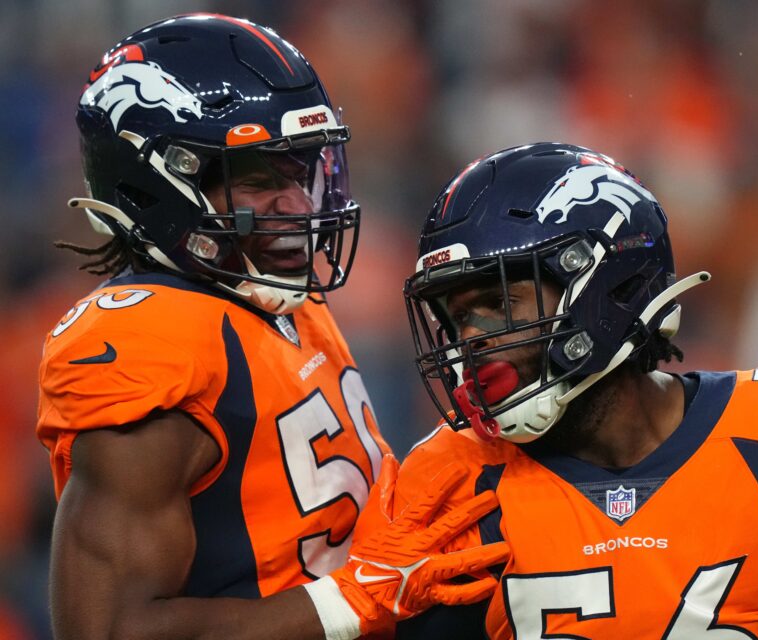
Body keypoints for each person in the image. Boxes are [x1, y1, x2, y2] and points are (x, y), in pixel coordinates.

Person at [37, 14, 507, 640]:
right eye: (256, 179)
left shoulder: (272, 290)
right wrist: (350, 601)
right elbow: (108, 631)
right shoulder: (148, 344)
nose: (299, 206)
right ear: (158, 182)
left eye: (301, 172)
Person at [394, 142, 758, 638]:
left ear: (604, 287)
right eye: (457, 319)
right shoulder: (455, 487)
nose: (470, 342)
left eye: (497, 305)